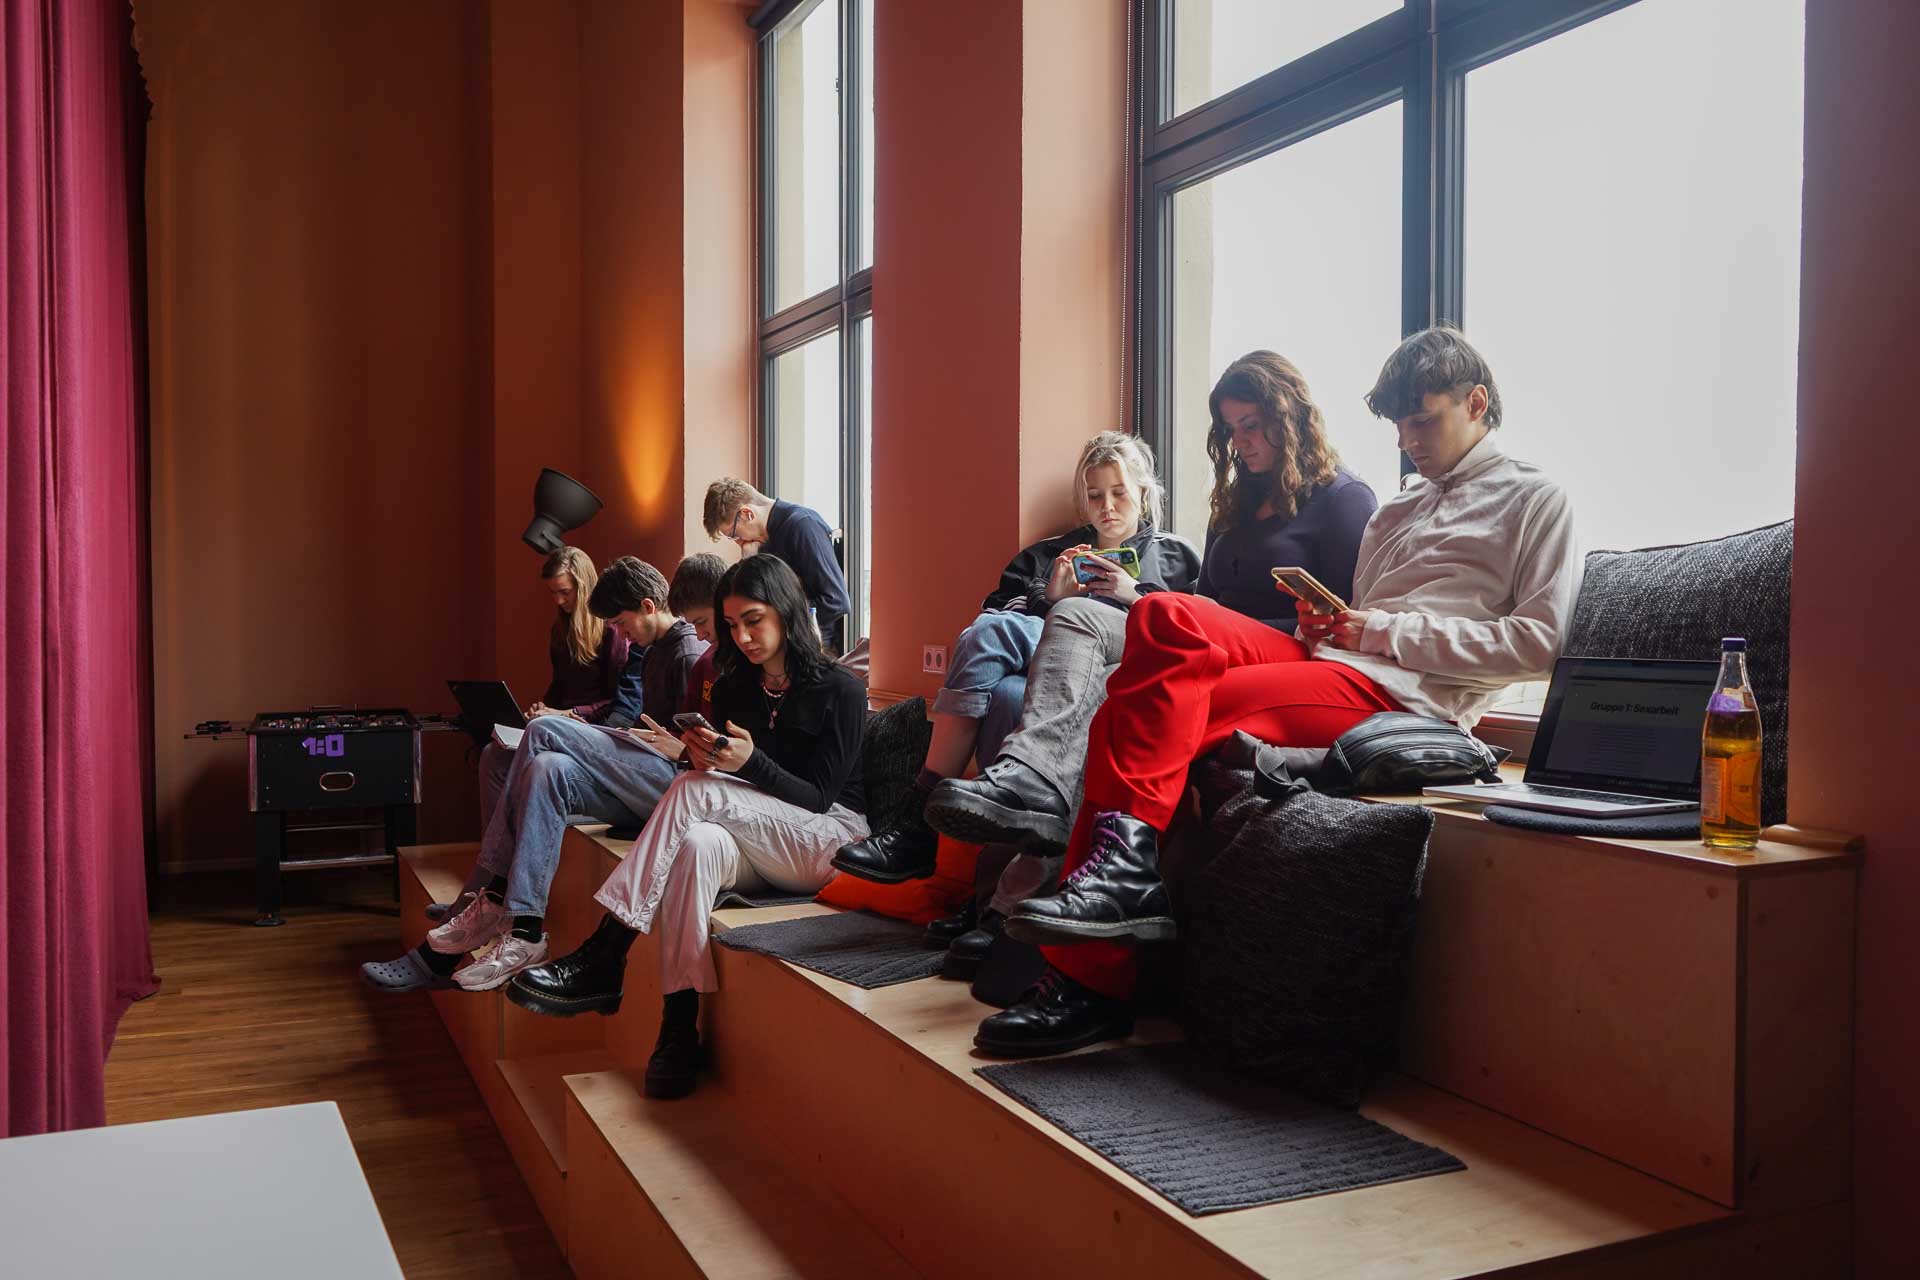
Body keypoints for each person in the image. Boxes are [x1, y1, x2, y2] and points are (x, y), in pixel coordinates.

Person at [972, 327, 1583, 1058]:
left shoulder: (1535, 499)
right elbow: (1357, 621)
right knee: (1164, 614)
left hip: (1408, 701)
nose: (1407, 440)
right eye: (1398, 425)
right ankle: (1119, 878)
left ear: (1476, 403)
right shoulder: (1396, 510)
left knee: (1144, 713)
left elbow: (1538, 645)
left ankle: (1087, 979)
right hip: (1333, 659)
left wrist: (1380, 630)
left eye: (1423, 420)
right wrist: (1331, 624)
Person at [918, 353, 1377, 972]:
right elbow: (1206, 603)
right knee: (1076, 616)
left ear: (1290, 416)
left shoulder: (1344, 500)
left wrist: (1154, 603)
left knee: (1129, 675)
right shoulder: (1236, 504)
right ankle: (1034, 782)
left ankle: (1009, 907)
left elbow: (1340, 620)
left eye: (1252, 425)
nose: (1242, 442)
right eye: (1232, 430)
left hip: (1280, 653)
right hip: (1201, 637)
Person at [506, 555, 870, 1101]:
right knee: (695, 843)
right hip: (762, 835)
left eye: (754, 620)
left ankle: (608, 950)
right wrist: (702, 757)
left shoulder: (841, 689)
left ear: (787, 611)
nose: (742, 637)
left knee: (697, 792)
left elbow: (818, 796)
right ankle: (678, 1029)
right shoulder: (734, 688)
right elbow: (739, 789)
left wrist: (747, 765)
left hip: (830, 838)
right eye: (731, 625)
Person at [830, 431, 1198, 894]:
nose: (1107, 506)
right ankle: (992, 898)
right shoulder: (1049, 554)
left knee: (996, 635)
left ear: (1144, 493)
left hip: (1123, 662)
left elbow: (1191, 632)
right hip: (1044, 667)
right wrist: (1051, 597)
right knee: (1004, 687)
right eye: (1095, 495)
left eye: (1119, 493)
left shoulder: (1175, 556)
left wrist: (1134, 595)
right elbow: (999, 607)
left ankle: (919, 823)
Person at [360, 556, 707, 995]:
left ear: (648, 606)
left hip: (675, 787)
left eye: (621, 623)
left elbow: (695, 752)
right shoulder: (652, 650)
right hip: (643, 775)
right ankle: (525, 931)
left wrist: (580, 725)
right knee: (546, 767)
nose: (619, 634)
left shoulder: (686, 651)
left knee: (543, 732)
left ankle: (492, 894)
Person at [475, 546, 631, 836]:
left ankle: (513, 843)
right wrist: (542, 709)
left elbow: (620, 704)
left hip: (590, 729)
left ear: (583, 587)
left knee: (533, 762)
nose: (559, 601)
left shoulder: (613, 631)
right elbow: (559, 688)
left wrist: (567, 713)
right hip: (558, 723)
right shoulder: (561, 630)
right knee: (491, 755)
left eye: (564, 592)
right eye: (553, 593)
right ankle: (496, 845)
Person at [703, 477, 852, 654]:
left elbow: (836, 601)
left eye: (734, 534)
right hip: (781, 648)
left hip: (813, 650)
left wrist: (775, 622)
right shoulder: (761, 541)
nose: (739, 542)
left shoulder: (802, 526)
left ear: (747, 514)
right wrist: (749, 560)